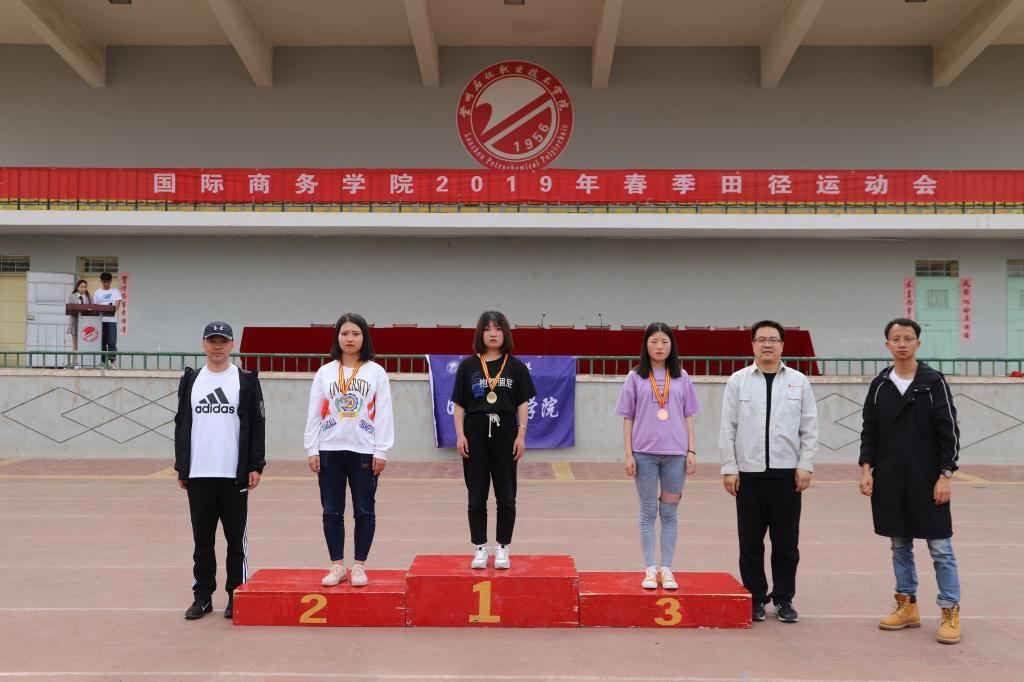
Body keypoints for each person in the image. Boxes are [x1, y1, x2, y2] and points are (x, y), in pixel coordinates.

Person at [859, 318, 962, 645]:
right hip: (890, 477)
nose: (901, 344)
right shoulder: (880, 385)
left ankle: (949, 609)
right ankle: (907, 605)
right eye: (895, 339)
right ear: (887, 344)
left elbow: (949, 432)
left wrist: (945, 475)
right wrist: (866, 469)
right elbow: (870, 431)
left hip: (927, 478)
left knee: (940, 547)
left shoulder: (933, 383)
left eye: (907, 338)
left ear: (918, 343)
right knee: (899, 544)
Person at [719, 320, 818, 623]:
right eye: (761, 339)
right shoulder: (738, 381)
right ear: (752, 345)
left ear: (782, 345)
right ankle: (755, 598)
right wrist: (729, 468)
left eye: (773, 340)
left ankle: (784, 599)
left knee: (786, 544)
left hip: (787, 474)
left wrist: (805, 465)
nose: (767, 345)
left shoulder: (799, 381)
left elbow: (809, 427)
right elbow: (728, 427)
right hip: (748, 474)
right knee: (750, 542)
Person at [174, 322, 266, 620]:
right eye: (212, 341)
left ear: (231, 345)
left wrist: (255, 465)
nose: (217, 346)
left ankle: (236, 595)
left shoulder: (245, 380)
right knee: (202, 541)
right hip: (199, 473)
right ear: (203, 344)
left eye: (223, 341)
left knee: (235, 541)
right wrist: (182, 466)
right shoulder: (192, 380)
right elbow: (181, 423)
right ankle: (202, 597)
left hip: (233, 475)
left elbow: (257, 424)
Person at [304, 313, 393, 588]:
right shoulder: (325, 372)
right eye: (344, 333)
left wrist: (381, 450)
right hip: (329, 448)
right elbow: (313, 413)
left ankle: (359, 566)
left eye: (355, 333)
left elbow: (384, 413)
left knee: (364, 510)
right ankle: (337, 565)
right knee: (331, 510)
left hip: (363, 449)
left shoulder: (375, 372)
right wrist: (312, 448)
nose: (350, 339)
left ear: (364, 337)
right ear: (337, 338)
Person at [615, 322, 700, 590]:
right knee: (648, 510)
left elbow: (689, 415)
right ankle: (650, 569)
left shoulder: (682, 377)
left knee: (670, 512)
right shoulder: (635, 377)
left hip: (676, 455)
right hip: (644, 455)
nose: (660, 347)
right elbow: (627, 417)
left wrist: (691, 450)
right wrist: (628, 454)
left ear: (672, 345)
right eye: (654, 341)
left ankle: (667, 569)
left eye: (664, 341)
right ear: (646, 345)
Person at [451, 311, 536, 570]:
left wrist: (521, 434)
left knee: (506, 495)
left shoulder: (516, 366)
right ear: (480, 333)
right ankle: (479, 547)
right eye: (487, 329)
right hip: (475, 431)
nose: (493, 334)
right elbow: (459, 404)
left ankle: (502, 547)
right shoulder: (468, 366)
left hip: (505, 432)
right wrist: (460, 434)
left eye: (498, 329)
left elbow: (522, 403)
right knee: (476, 495)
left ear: (505, 333)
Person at [91, 272, 122, 368]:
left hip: (112, 320)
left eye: (108, 282)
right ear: (101, 281)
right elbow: (95, 306)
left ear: (111, 281)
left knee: (112, 342)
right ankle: (103, 361)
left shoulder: (115, 291)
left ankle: (112, 361)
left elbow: (116, 306)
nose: (106, 284)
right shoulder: (97, 292)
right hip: (100, 321)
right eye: (104, 282)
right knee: (102, 342)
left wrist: (109, 308)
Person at [65, 279, 90, 352]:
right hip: (75, 321)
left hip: (86, 322)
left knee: (84, 344)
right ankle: (75, 359)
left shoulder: (89, 297)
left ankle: (83, 359)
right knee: (75, 344)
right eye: (81, 287)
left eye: (85, 287)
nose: (83, 289)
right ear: (77, 287)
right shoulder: (72, 296)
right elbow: (71, 308)